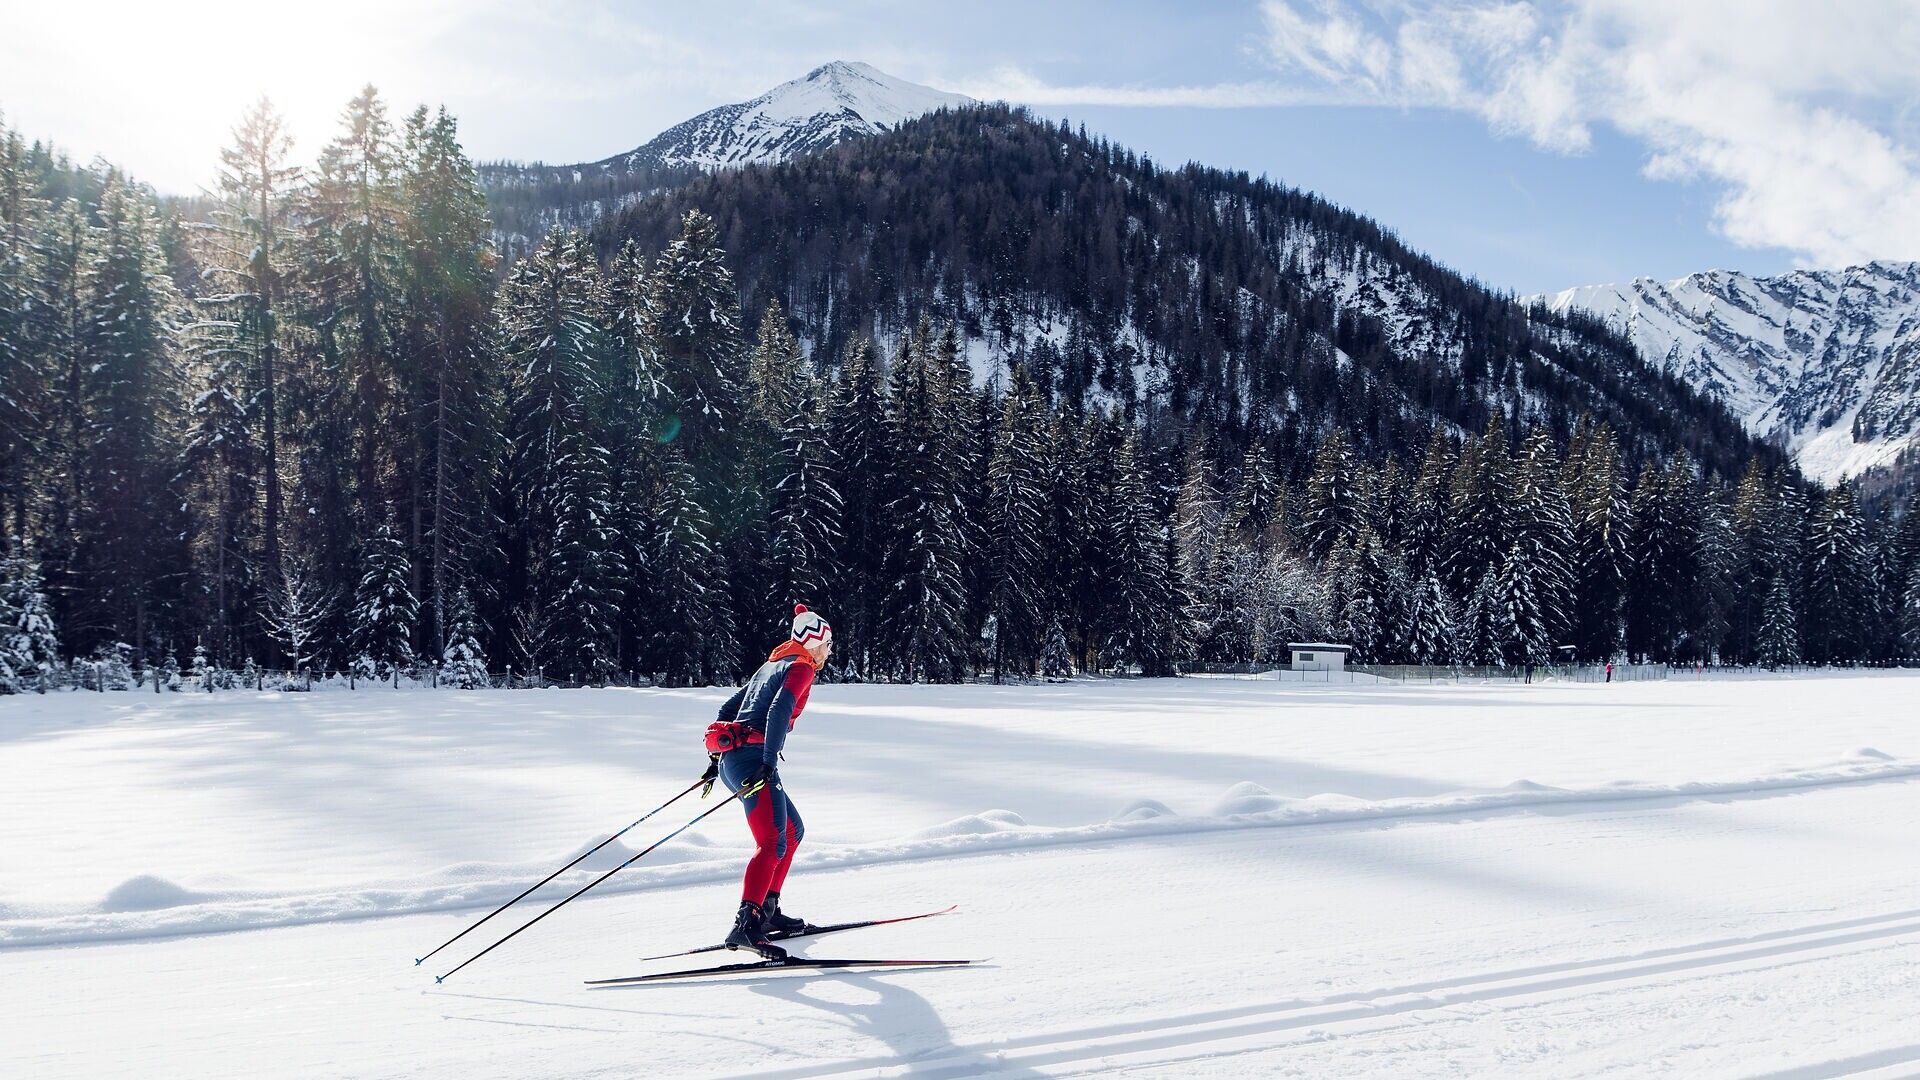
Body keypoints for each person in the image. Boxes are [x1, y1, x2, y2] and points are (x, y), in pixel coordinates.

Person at [705, 603, 832, 959]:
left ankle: (767, 911)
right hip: (752, 761)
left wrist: (717, 758)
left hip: (737, 760)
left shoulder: (771, 665)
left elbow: (727, 710)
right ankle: (745, 926)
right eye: (827, 644)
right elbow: (778, 710)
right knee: (773, 841)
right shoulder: (801, 667)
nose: (829, 651)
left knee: (792, 832)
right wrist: (768, 760)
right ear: (814, 643)